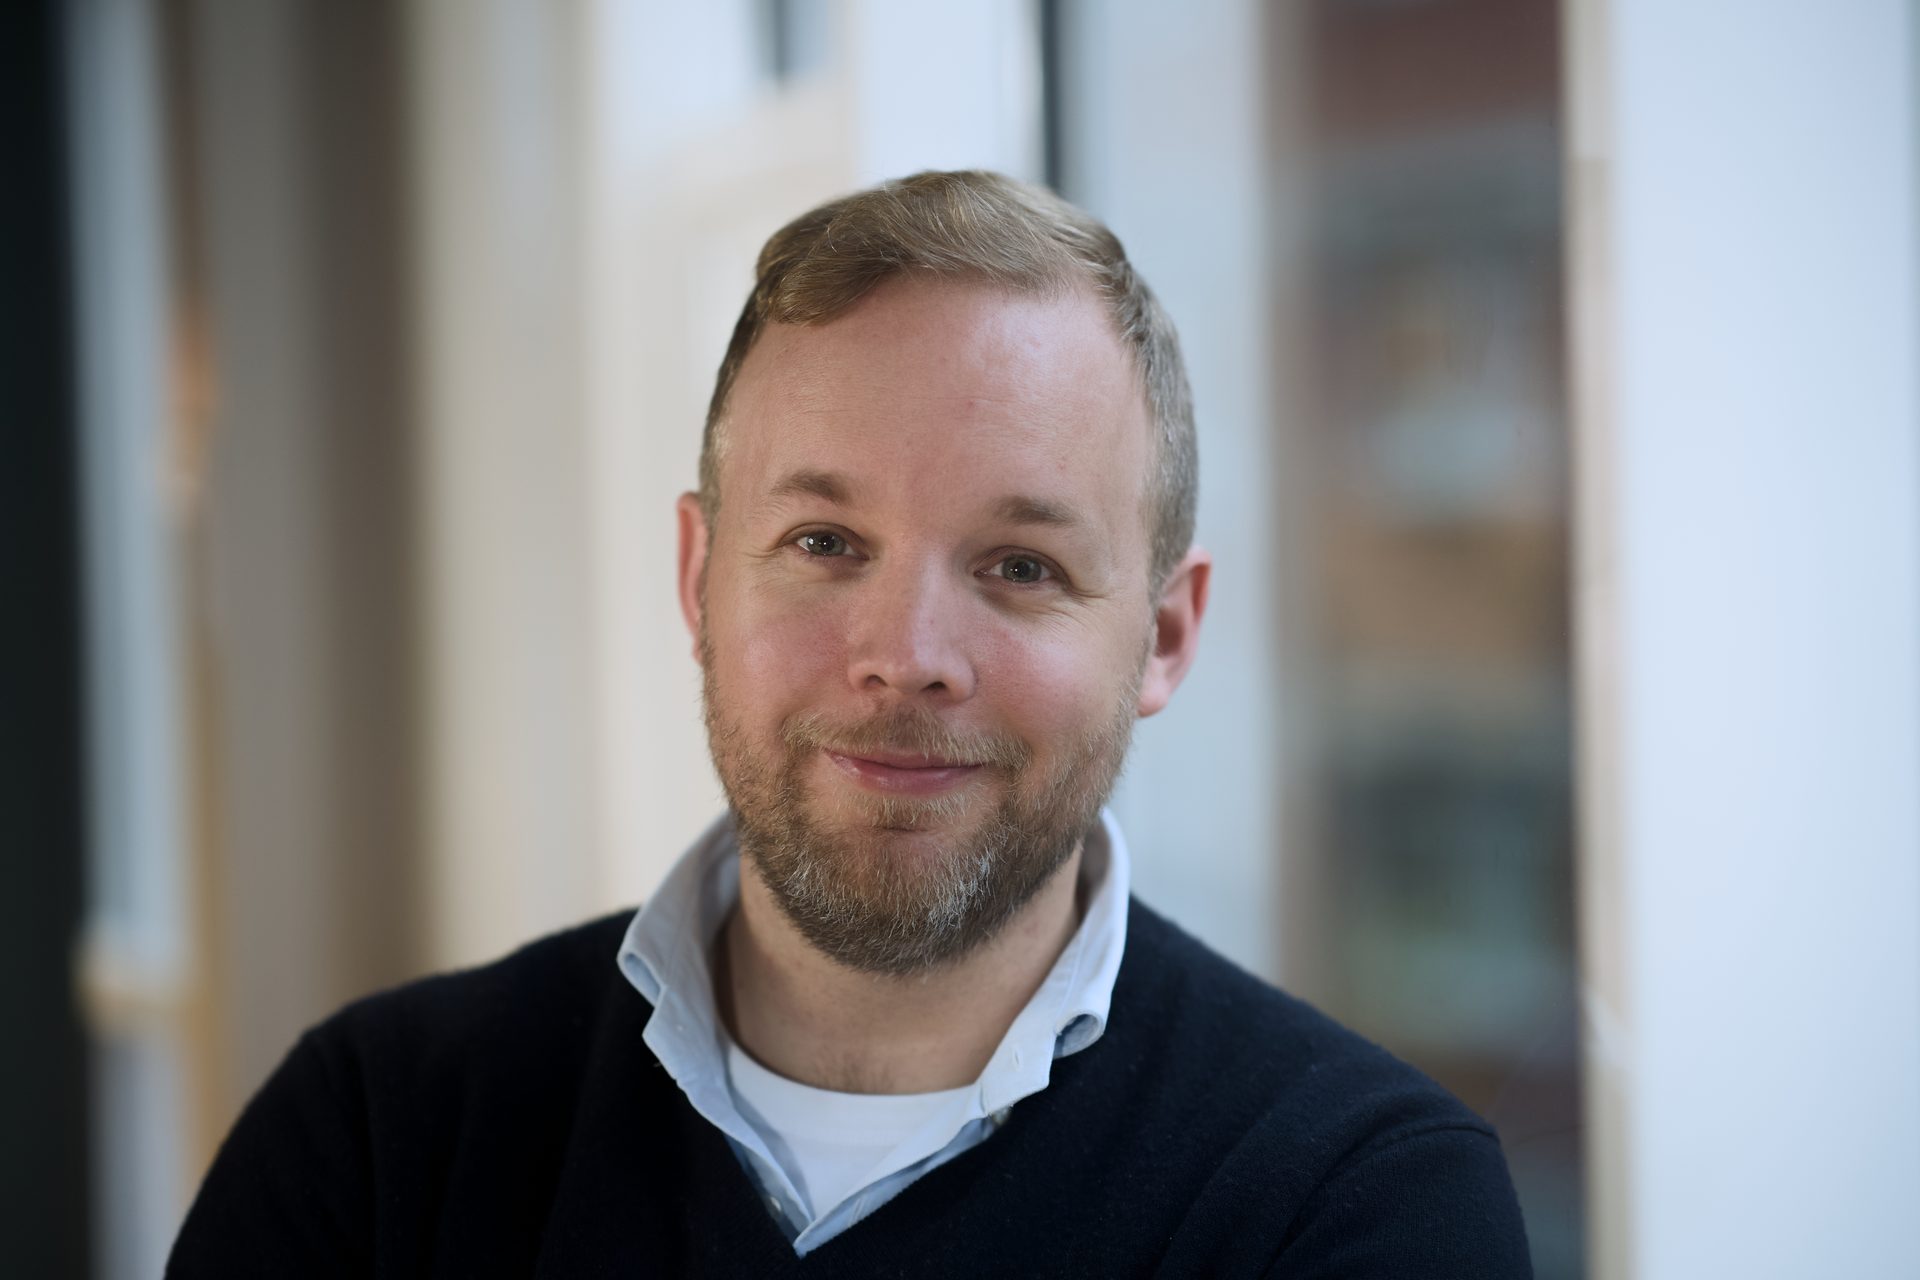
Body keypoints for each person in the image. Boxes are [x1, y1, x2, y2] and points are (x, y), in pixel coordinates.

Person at [170, 170, 1531, 1277]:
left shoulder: (1361, 1207)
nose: (904, 657)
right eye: (824, 541)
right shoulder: (378, 1137)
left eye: (1020, 566)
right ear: (700, 577)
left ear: (1165, 635)